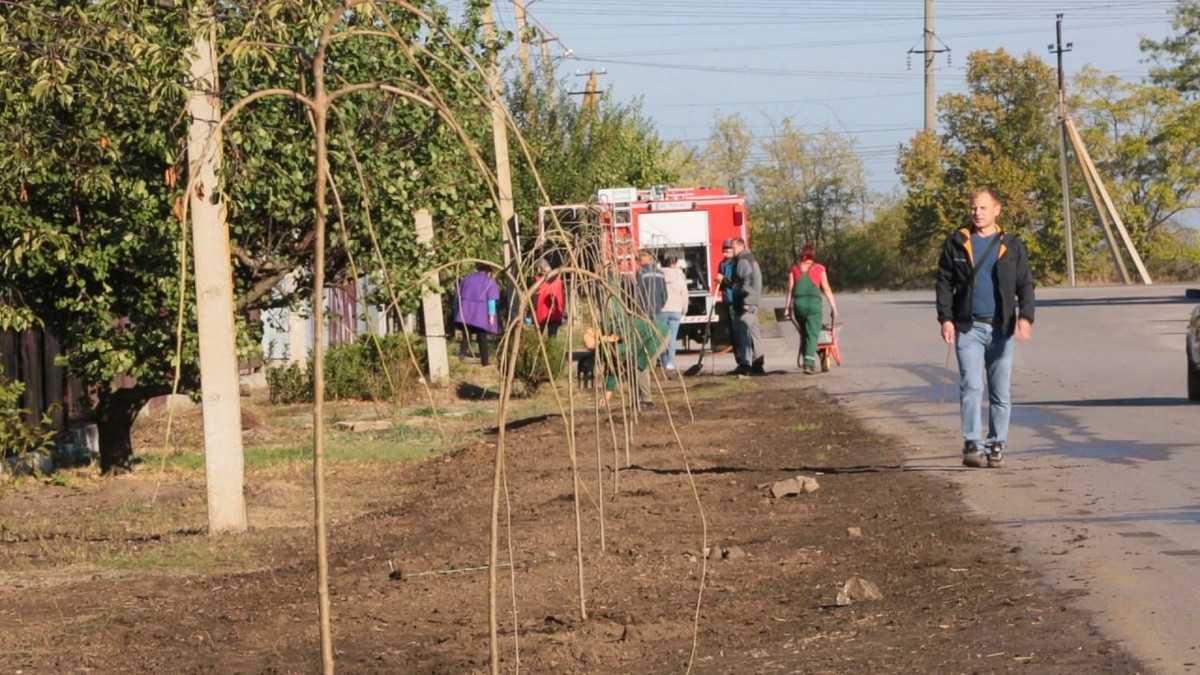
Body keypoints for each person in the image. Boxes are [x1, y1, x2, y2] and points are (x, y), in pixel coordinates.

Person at [935, 187, 1035, 469]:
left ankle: (996, 444)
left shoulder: (1012, 245)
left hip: (1001, 329)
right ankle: (972, 443)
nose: (976, 213)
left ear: (996, 210)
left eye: (982, 208)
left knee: (999, 392)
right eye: (973, 208)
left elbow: (1025, 284)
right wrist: (945, 318)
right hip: (968, 328)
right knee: (971, 385)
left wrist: (1025, 317)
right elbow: (943, 282)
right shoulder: (956, 243)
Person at [584, 290, 668, 409]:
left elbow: (617, 364)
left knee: (639, 365)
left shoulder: (616, 332)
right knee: (632, 366)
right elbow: (613, 371)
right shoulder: (607, 343)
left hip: (658, 334)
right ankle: (637, 399)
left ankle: (646, 400)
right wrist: (605, 398)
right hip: (643, 338)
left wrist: (606, 340)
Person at [784, 244, 838, 374]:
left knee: (804, 333)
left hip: (798, 304)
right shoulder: (819, 268)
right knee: (813, 334)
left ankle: (807, 358)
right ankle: (809, 363)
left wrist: (787, 308)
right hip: (813, 304)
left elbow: (790, 290)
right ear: (813, 254)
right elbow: (826, 288)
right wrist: (833, 306)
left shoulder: (795, 268)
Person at [729, 237, 764, 376]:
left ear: (741, 246)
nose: (733, 250)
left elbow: (744, 281)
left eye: (734, 247)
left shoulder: (743, 261)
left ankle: (745, 364)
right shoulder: (752, 259)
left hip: (746, 302)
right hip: (753, 301)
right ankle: (758, 364)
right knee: (755, 334)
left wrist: (738, 295)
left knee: (741, 332)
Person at [455, 262, 501, 366]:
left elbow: (458, 296)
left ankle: (461, 357)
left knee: (467, 336)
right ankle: (485, 362)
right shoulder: (489, 282)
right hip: (480, 315)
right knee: (482, 338)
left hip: (465, 312)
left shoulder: (467, 279)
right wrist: (491, 316)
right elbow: (491, 301)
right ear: (488, 272)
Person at [714, 240, 744, 368]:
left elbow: (734, 283)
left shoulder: (736, 264)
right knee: (731, 332)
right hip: (727, 300)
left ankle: (744, 359)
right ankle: (738, 359)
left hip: (735, 300)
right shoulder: (722, 264)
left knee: (738, 330)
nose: (725, 253)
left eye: (728, 250)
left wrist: (724, 279)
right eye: (724, 250)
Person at [659, 253, 688, 372]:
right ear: (673, 264)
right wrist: (684, 309)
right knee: (672, 338)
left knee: (661, 338)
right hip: (676, 310)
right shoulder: (679, 275)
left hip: (662, 310)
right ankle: (670, 363)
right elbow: (684, 293)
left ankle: (663, 362)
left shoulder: (659, 274)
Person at [532, 258, 564, 338]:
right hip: (555, 313)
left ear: (540, 268)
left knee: (538, 337)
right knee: (552, 337)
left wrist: (532, 310)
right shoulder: (558, 281)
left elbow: (534, 298)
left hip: (541, 312)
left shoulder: (537, 281)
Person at [634, 249, 666, 320]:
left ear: (641, 261)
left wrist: (639, 306)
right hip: (658, 307)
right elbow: (665, 293)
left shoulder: (640, 273)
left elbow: (638, 292)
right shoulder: (660, 273)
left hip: (645, 308)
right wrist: (661, 305)